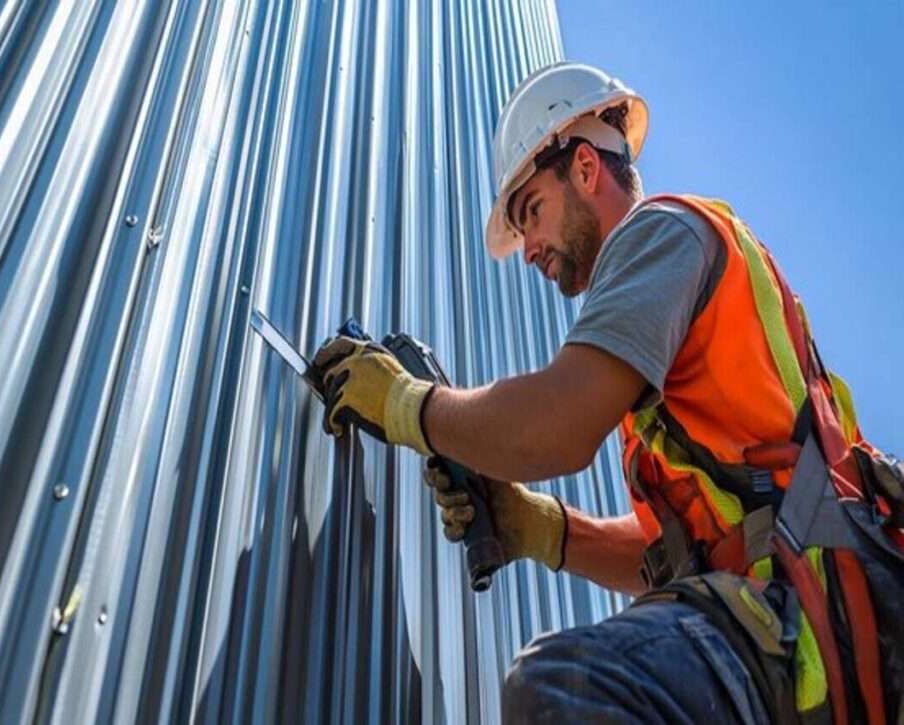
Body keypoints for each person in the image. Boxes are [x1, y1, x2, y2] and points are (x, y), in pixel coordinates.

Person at [311, 62, 903, 723]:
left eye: (531, 211)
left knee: (562, 687)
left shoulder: (663, 233)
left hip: (805, 629)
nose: (529, 249)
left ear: (586, 169)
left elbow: (554, 426)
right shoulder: (659, 362)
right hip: (803, 644)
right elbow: (684, 548)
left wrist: (404, 405)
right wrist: (540, 529)